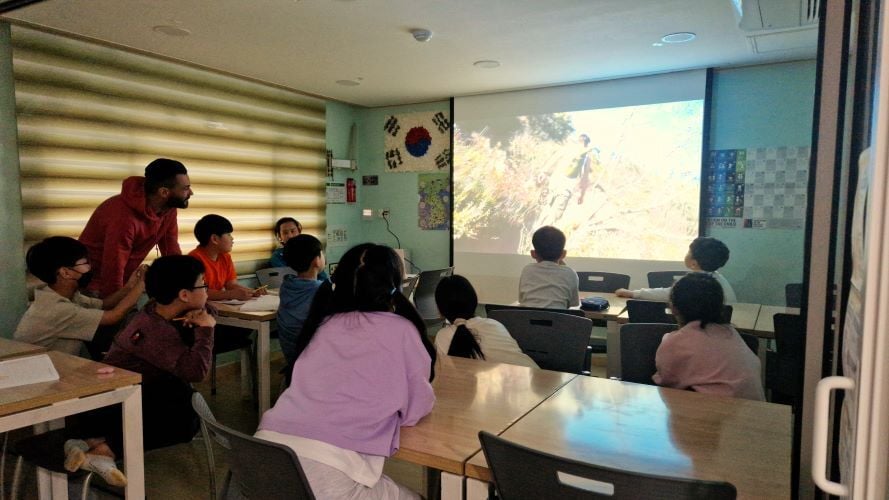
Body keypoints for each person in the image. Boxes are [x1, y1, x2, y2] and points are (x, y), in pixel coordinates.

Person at [256, 243, 436, 499]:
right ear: (395, 285)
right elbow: (416, 407)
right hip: (325, 473)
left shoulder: (323, 324)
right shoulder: (401, 330)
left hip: (263, 453)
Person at [63, 255, 216, 486]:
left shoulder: (155, 309)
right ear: (184, 295)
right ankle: (105, 451)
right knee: (185, 416)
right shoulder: (154, 331)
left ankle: (87, 444)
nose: (207, 290)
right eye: (203, 284)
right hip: (110, 405)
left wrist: (204, 314)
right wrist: (205, 331)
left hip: (116, 400)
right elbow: (196, 372)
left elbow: (210, 308)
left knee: (175, 391)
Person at [14, 236, 145, 358]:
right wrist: (142, 284)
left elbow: (104, 304)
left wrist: (129, 287)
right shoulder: (57, 309)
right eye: (84, 263)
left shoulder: (63, 295)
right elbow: (113, 316)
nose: (89, 267)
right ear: (65, 272)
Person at [79, 158, 192, 298]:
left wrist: (187, 286)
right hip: (94, 285)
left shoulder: (168, 209)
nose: (191, 193)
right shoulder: (123, 216)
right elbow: (113, 267)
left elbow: (171, 250)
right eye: (186, 188)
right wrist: (116, 303)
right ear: (164, 192)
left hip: (125, 281)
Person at [653, 272, 764, 401]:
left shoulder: (675, 342)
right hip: (754, 412)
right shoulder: (732, 333)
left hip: (715, 412)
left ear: (673, 308)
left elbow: (666, 381)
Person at [434, 275, 537, 368]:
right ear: (474, 301)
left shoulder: (442, 336)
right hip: (541, 379)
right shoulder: (494, 324)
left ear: (440, 309)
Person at [615, 236, 738, 303]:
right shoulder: (720, 279)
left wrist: (634, 293)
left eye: (689, 251)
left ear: (694, 263)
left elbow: (668, 294)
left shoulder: (694, 282)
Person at [188, 214, 266, 301]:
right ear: (214, 239)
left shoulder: (225, 257)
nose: (232, 238)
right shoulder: (193, 259)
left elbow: (231, 285)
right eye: (228, 234)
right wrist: (230, 294)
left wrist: (251, 291)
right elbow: (199, 292)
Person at [277, 234, 325, 367]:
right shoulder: (322, 291)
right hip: (318, 360)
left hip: (293, 358)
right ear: (317, 260)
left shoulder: (286, 286)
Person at [518, 226, 579, 309]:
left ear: (533, 253)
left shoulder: (527, 270)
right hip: (558, 321)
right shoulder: (570, 273)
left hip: (526, 320)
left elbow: (522, 300)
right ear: (564, 254)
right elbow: (573, 303)